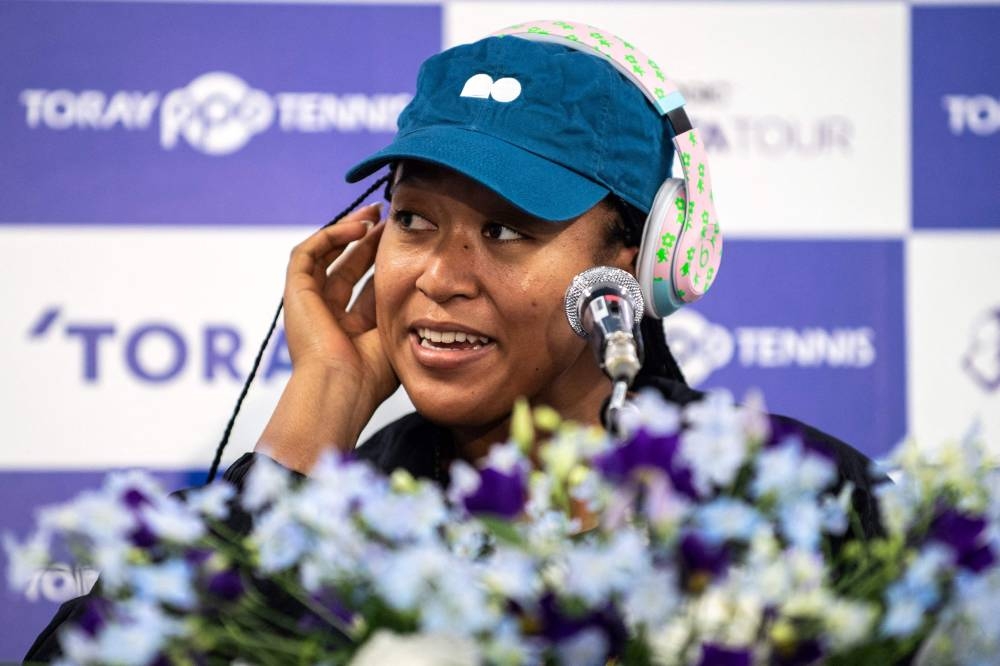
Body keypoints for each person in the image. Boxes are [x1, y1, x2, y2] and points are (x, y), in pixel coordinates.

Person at [24, 24, 883, 662]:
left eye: (506, 230)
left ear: (638, 260)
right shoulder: (332, 513)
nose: (441, 274)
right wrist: (310, 426)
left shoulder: (796, 498)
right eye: (413, 221)